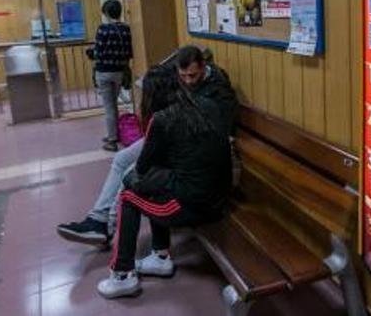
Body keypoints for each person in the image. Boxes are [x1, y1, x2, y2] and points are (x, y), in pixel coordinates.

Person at [56, 45, 237, 244]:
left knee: (135, 171)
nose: (188, 81)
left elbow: (219, 130)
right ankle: (97, 218)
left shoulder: (219, 91)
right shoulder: (181, 76)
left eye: (192, 76)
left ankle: (108, 227)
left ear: (204, 67)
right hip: (173, 131)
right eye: (183, 76)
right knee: (121, 158)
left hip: (190, 143)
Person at [96, 65, 233, 298]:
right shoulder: (207, 106)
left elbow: (142, 169)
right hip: (220, 199)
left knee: (129, 195)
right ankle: (159, 256)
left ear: (151, 94)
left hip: (195, 207)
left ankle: (121, 274)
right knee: (154, 184)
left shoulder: (161, 119)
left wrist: (132, 179)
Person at [93, 0, 133, 151]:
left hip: (104, 72)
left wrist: (92, 53)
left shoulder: (103, 29)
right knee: (114, 104)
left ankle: (112, 140)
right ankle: (114, 133)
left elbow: (97, 52)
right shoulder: (126, 29)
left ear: (107, 13)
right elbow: (129, 51)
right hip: (119, 72)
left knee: (109, 107)